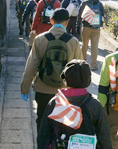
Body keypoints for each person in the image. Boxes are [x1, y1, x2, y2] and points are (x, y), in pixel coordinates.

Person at [37, 59, 112, 149]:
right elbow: (103, 134)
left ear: (65, 79)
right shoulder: (94, 105)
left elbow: (45, 131)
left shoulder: (56, 102)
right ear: (88, 80)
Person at [21, 8, 83, 136]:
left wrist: (25, 88)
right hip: (65, 92)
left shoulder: (40, 39)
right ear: (66, 22)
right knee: (63, 123)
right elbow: (80, 68)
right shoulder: (73, 42)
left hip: (43, 89)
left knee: (42, 120)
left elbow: (31, 66)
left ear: (51, 20)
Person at [77, 0, 104, 71]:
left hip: (86, 27)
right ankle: (93, 64)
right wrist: (100, 25)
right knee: (94, 46)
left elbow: (80, 15)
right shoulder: (99, 4)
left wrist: (78, 26)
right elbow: (102, 16)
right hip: (96, 28)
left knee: (84, 45)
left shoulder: (85, 3)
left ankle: (83, 62)